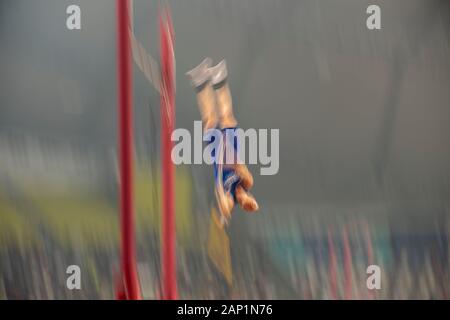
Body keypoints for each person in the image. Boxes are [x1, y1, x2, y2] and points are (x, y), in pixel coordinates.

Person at [186, 58, 259, 220]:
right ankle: (219, 77)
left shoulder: (228, 194)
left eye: (243, 202)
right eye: (247, 198)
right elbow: (242, 170)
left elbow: (225, 203)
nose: (242, 198)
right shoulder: (246, 183)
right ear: (249, 195)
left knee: (210, 119)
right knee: (226, 117)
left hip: (217, 154)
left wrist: (225, 210)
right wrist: (248, 201)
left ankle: (200, 80)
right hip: (231, 148)